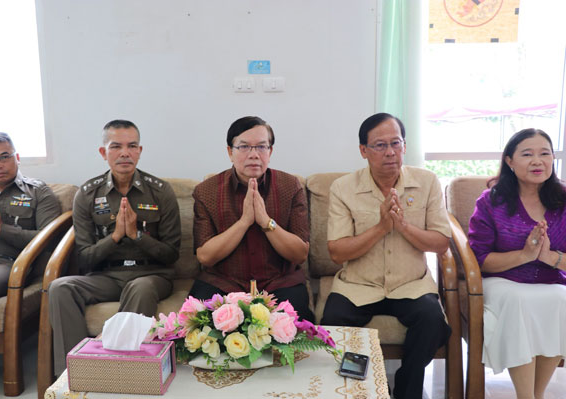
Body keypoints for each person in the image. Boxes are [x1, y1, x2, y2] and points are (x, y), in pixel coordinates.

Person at [321, 113, 452, 399]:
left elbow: (442, 242)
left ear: (405, 146)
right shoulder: (343, 188)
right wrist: (382, 228)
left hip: (410, 284)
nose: (390, 152)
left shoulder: (427, 182)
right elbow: (336, 251)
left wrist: (402, 225)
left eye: (396, 143)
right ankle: (359, 389)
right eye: (380, 145)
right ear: (363, 151)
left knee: (433, 321)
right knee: (333, 320)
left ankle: (406, 387)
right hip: (358, 285)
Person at [48, 120, 181, 375]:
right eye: (116, 146)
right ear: (103, 152)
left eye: (132, 146)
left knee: (139, 287)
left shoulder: (160, 191)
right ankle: (74, 374)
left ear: (139, 151)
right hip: (106, 276)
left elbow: (171, 254)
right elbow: (85, 259)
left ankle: (119, 373)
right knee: (60, 287)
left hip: (151, 275)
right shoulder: (87, 194)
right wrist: (117, 236)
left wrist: (137, 236)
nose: (124, 153)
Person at [468, 128, 566, 399]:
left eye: (545, 153)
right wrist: (524, 255)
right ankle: (526, 396)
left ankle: (537, 394)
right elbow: (479, 260)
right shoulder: (491, 201)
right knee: (519, 300)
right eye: (527, 154)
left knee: (562, 300)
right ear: (510, 161)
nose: (538, 161)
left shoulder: (563, 200)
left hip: (551, 279)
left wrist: (550, 257)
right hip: (502, 280)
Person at [190, 116, 314, 322]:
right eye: (244, 147)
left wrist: (266, 222)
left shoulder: (290, 187)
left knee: (297, 331)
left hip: (280, 283)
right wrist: (244, 222)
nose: (254, 155)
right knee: (196, 326)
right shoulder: (207, 192)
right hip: (223, 283)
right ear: (230, 152)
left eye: (261, 147)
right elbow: (205, 256)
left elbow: (300, 254)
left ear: (270, 152)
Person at [0, 132, 60, 382]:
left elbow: (48, 239)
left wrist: (1, 230)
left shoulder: (38, 192)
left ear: (17, 157)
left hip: (6, 264)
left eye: (4, 157)